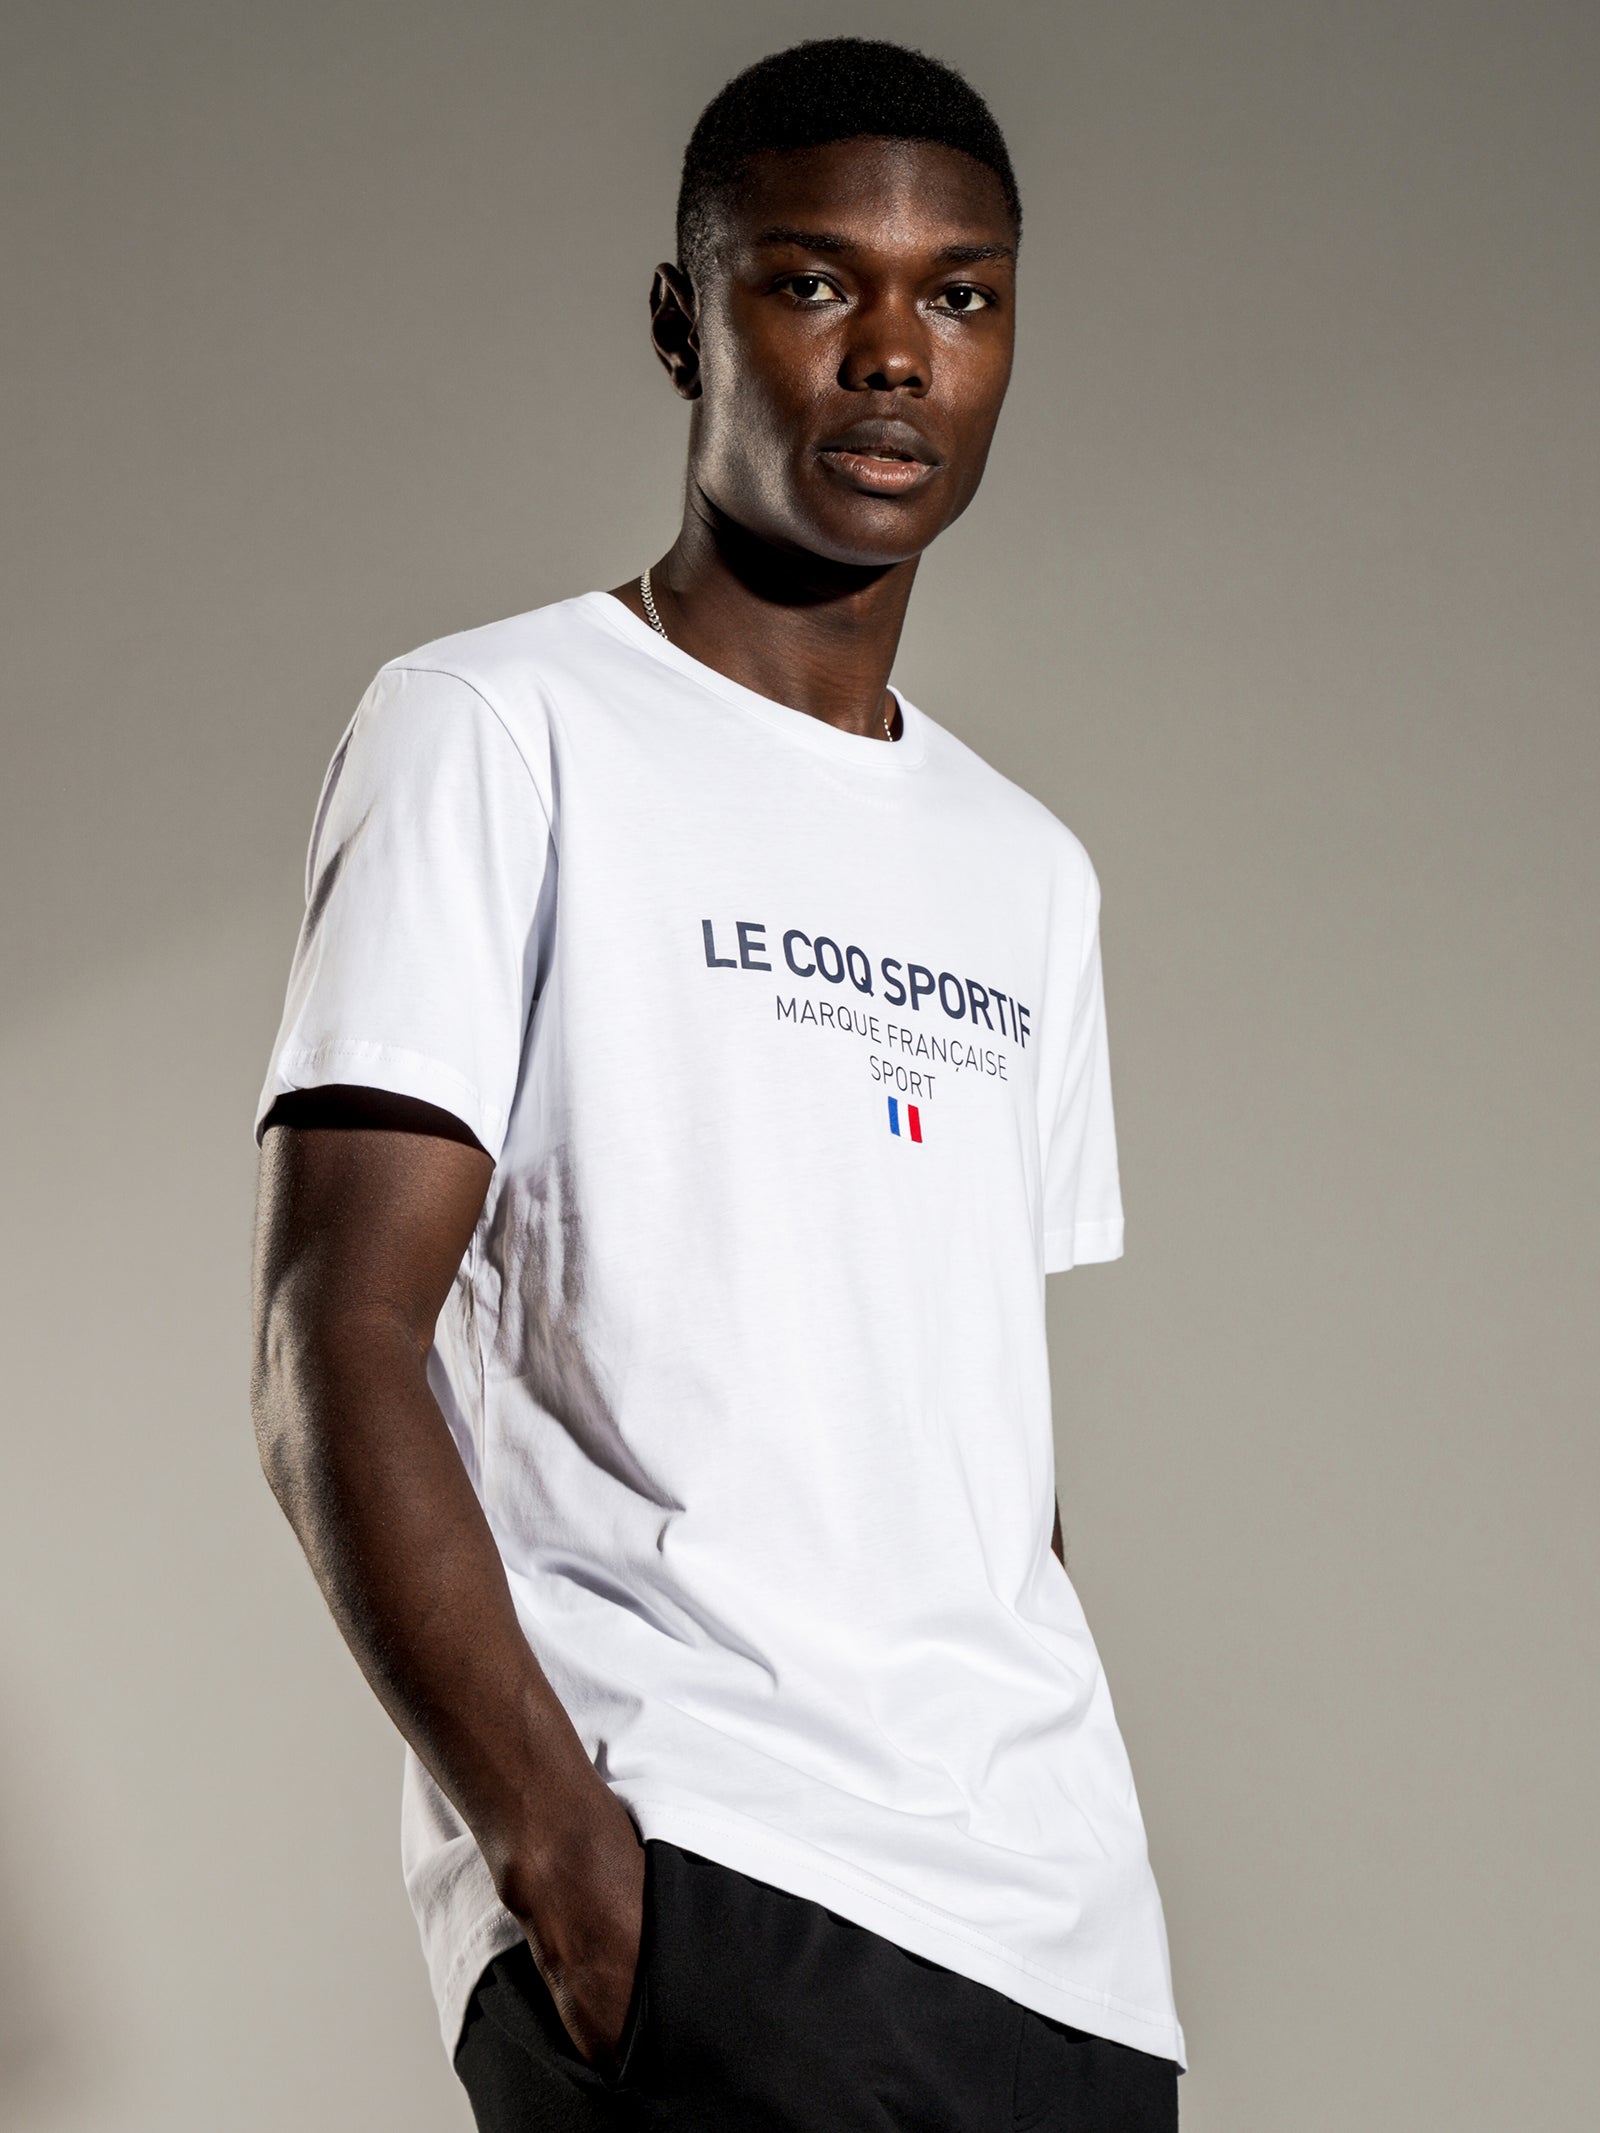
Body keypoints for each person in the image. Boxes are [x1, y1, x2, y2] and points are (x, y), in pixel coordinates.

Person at [251, 36, 1184, 2131]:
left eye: (959, 293)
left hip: (1060, 1940)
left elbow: (978, 1439)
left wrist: (1084, 1864)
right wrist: (560, 1866)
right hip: (706, 1870)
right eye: (813, 279)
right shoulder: (497, 728)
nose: (893, 353)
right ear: (685, 321)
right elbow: (336, 1333)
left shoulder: (1026, 868)